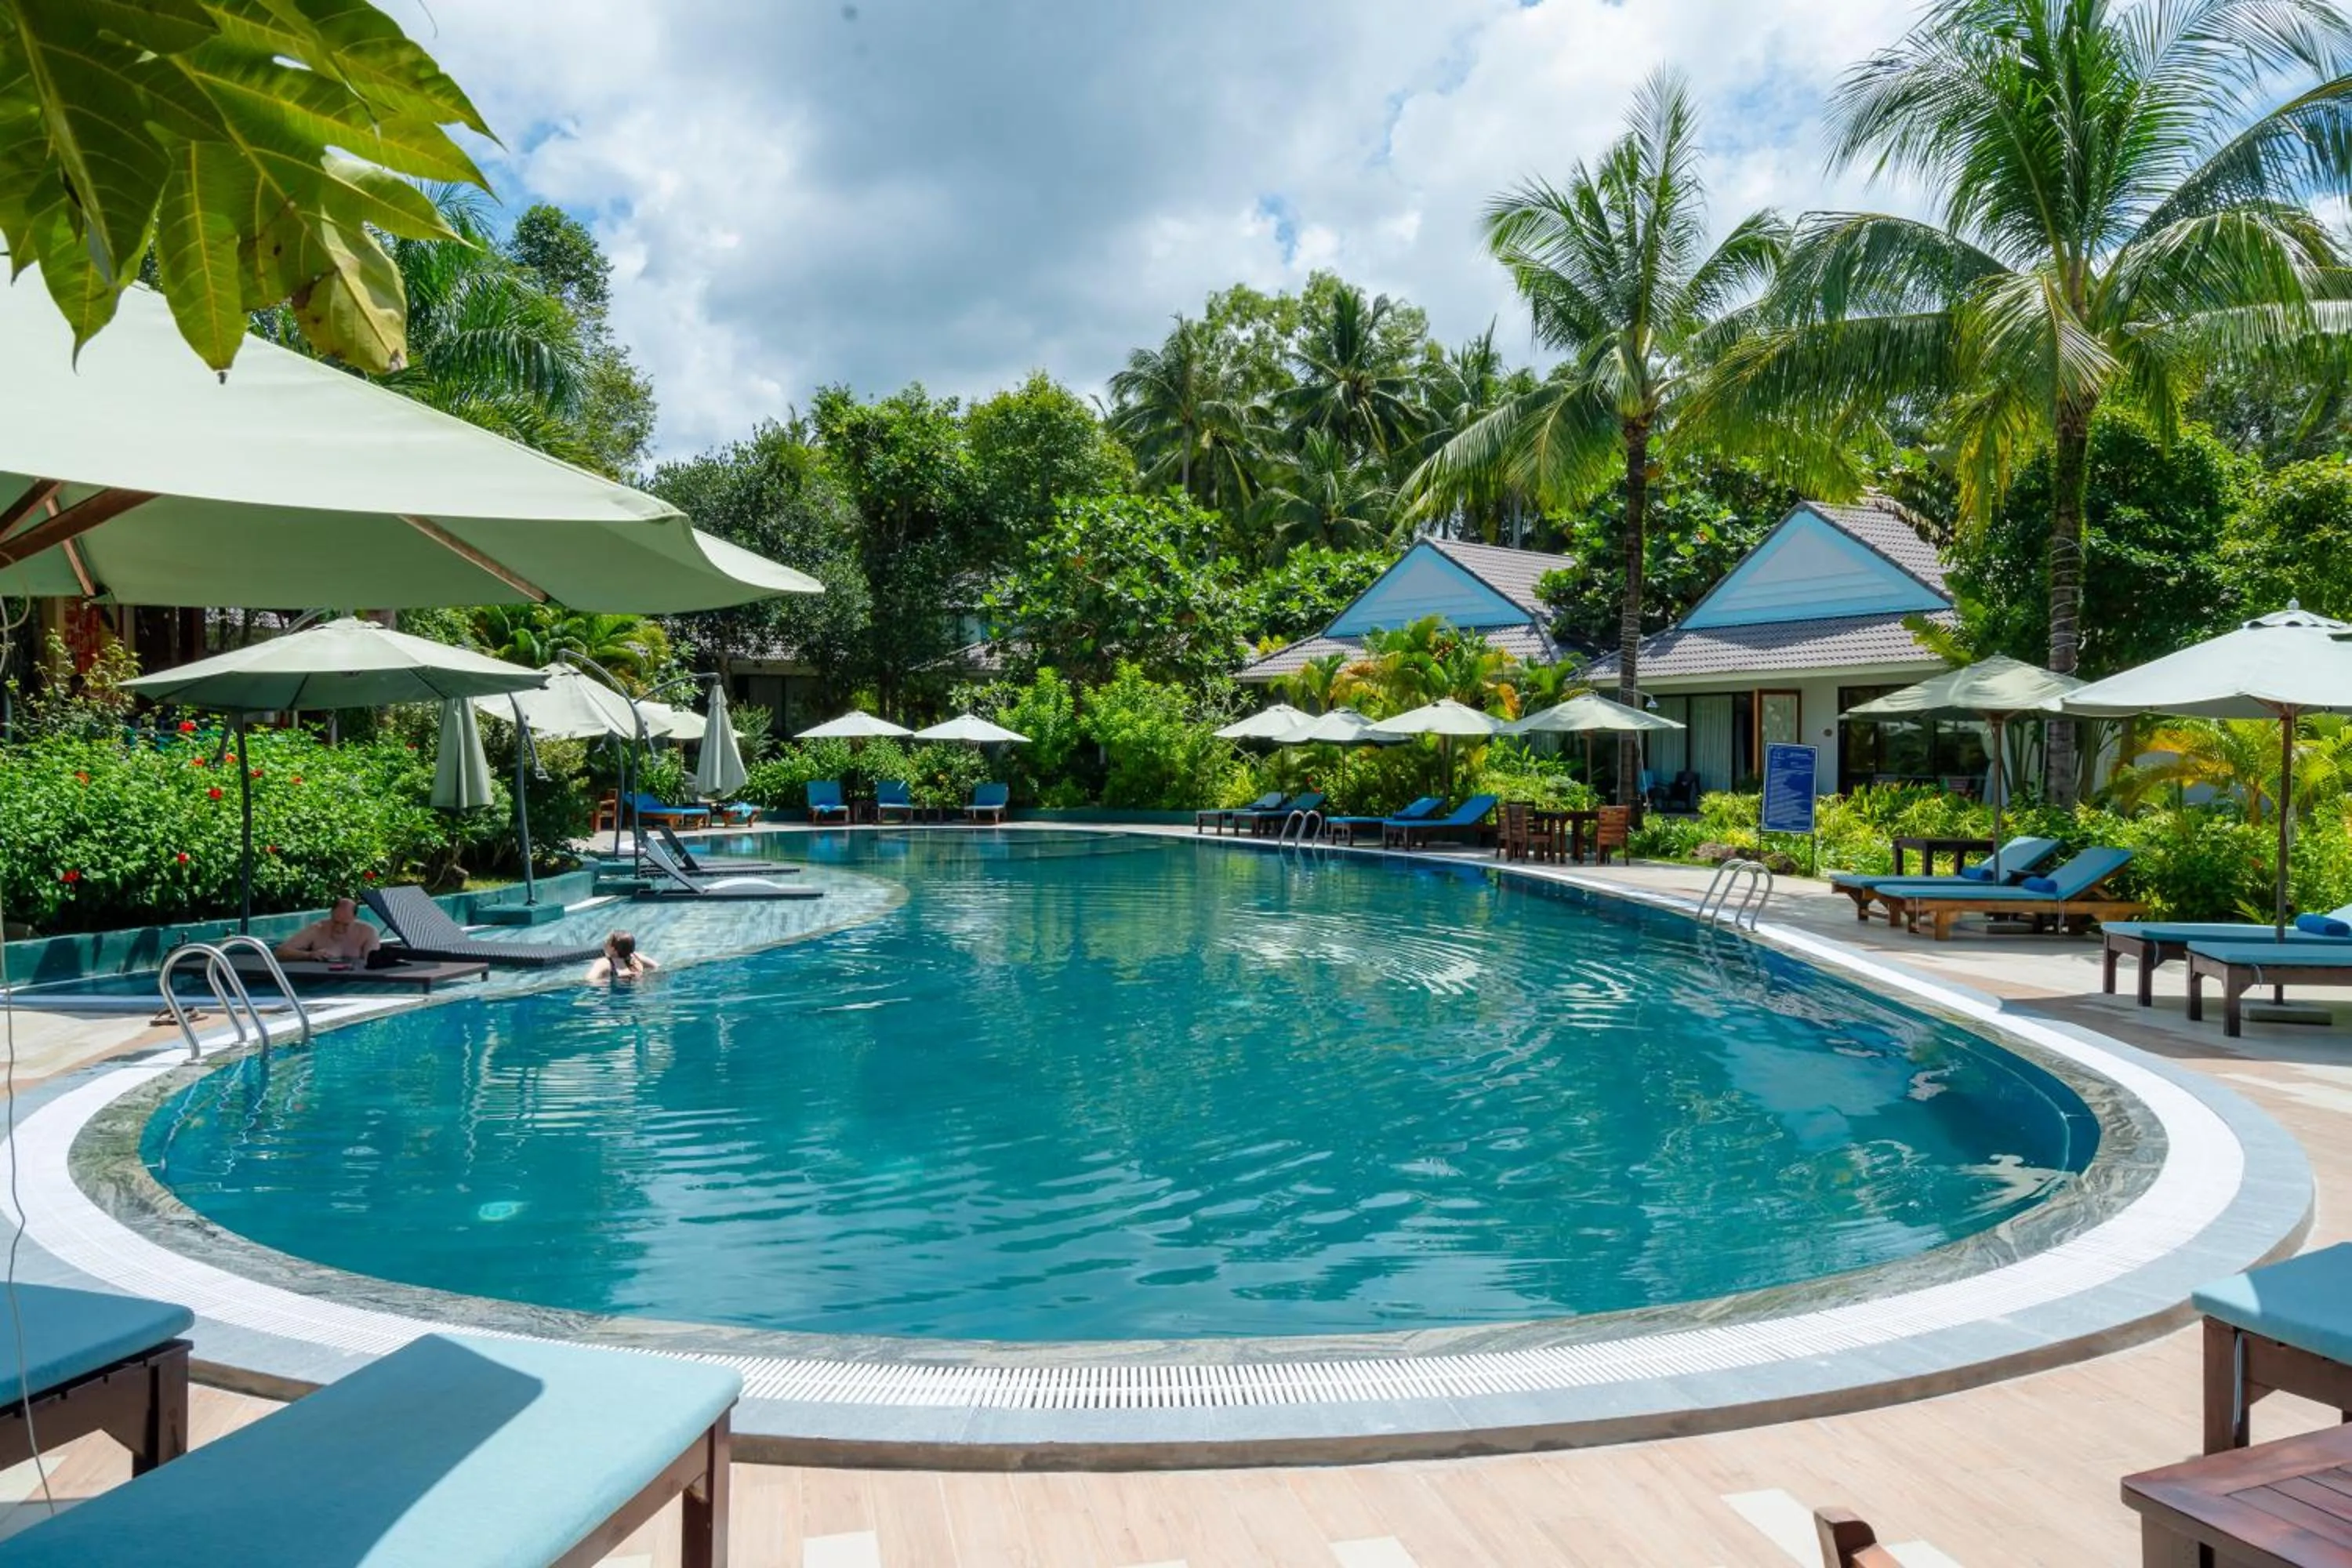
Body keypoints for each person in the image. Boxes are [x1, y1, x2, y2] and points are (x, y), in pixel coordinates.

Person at [274, 897, 381, 964]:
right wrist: (309, 955)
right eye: (335, 922)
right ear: (331, 914)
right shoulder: (317, 928)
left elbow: (374, 964)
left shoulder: (368, 933)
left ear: (355, 918)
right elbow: (280, 952)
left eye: (345, 925)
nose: (339, 929)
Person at [586, 930, 659, 984]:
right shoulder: (637, 957)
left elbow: (590, 981)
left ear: (613, 949)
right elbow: (656, 967)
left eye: (607, 942)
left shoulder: (604, 963)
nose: (604, 945)